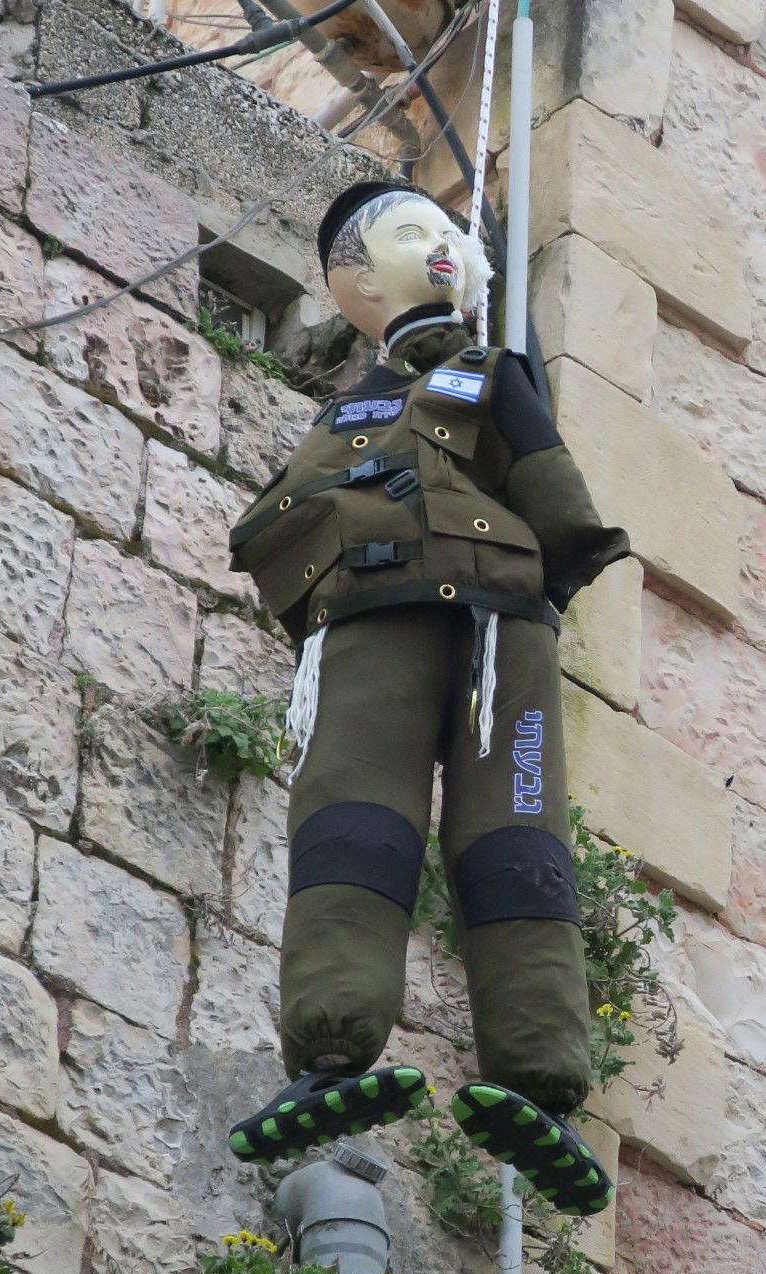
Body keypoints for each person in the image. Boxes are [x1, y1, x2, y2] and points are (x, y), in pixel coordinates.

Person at [225, 181, 630, 1217]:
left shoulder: (486, 375)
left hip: (497, 637)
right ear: (351, 281)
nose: (443, 247)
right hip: (384, 625)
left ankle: (541, 1080)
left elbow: (554, 490)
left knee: (517, 840)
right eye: (414, 233)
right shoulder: (355, 404)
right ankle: (333, 1047)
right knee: (354, 825)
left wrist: (541, 582)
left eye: (450, 233)